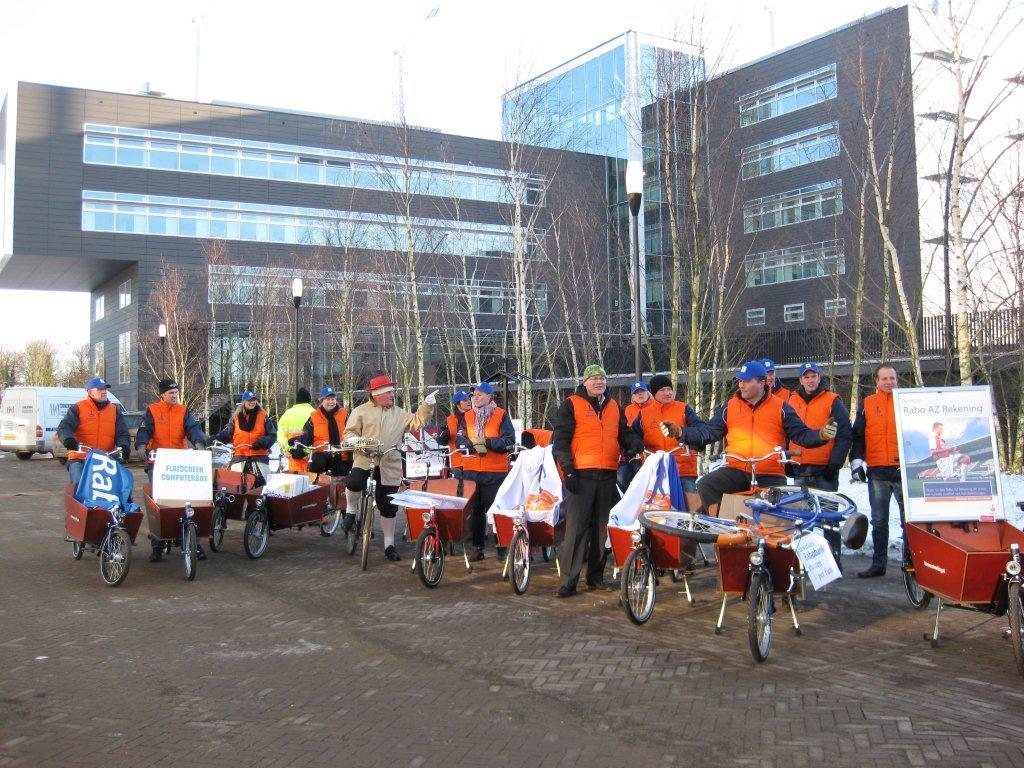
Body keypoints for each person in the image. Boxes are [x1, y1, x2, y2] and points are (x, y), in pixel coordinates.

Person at [669, 360, 836, 516]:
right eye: (740, 380)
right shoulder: (730, 406)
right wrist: (681, 433)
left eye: (747, 381)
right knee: (706, 485)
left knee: (775, 510)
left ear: (762, 382)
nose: (741, 384)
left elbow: (802, 435)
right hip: (737, 469)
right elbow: (709, 432)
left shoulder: (781, 407)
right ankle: (721, 525)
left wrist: (820, 435)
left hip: (769, 472)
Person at [552, 364, 645, 597]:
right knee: (576, 530)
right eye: (593, 379)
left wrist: (633, 441)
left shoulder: (614, 406)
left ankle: (595, 577)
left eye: (602, 378)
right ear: (584, 382)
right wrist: (568, 472)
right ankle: (568, 582)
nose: (598, 382)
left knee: (602, 531)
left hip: (607, 474)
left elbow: (622, 433)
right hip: (580, 476)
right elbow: (560, 442)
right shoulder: (571, 404)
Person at [343, 375, 435, 561]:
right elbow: (349, 432)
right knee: (354, 480)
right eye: (390, 392)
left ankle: (389, 545)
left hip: (389, 462)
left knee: (388, 505)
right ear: (378, 394)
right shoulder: (360, 411)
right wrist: (353, 439)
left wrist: (427, 406)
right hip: (364, 458)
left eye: (393, 392)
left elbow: (417, 421)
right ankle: (351, 511)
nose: (393, 395)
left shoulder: (399, 413)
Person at [786, 361, 852, 565]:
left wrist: (835, 464)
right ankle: (804, 563)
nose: (810, 380)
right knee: (801, 520)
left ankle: (833, 562)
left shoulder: (832, 401)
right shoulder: (791, 401)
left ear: (819, 377)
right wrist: (787, 460)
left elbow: (844, 435)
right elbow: (784, 431)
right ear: (800, 380)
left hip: (824, 472)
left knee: (828, 519)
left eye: (813, 376)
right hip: (799, 470)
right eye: (806, 377)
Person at [135, 378, 209, 562]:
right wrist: (142, 446)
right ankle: (157, 545)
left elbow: (193, 428)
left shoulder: (183, 411)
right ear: (162, 395)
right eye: (171, 393)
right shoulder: (152, 410)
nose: (175, 396)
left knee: (189, 500)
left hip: (179, 463)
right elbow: (144, 430)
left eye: (176, 393)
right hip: (158, 462)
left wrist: (199, 442)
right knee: (158, 503)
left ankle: (194, 544)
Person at [850, 364, 903, 578]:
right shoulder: (867, 404)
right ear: (877, 382)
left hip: (903, 472)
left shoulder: (907, 402)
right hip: (878, 472)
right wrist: (856, 463)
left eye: (892, 378)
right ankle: (878, 564)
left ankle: (912, 564)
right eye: (885, 378)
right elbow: (858, 436)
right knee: (879, 521)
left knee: (908, 521)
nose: (889, 382)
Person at [455, 382, 515, 561]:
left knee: (497, 511)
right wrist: (470, 444)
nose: (476, 398)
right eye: (474, 395)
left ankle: (502, 547)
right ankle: (478, 548)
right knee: (476, 511)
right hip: (472, 471)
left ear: (490, 397)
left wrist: (487, 442)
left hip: (495, 472)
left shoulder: (501, 414)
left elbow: (509, 441)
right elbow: (460, 440)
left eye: (480, 394)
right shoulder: (467, 416)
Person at [56, 376, 131, 488]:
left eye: (105, 389)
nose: (104, 391)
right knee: (79, 482)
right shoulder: (78, 408)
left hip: (105, 458)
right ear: (90, 392)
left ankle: (120, 505)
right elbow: (64, 427)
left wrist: (124, 445)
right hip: (81, 457)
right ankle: (79, 503)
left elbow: (122, 433)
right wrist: (68, 440)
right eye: (100, 389)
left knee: (122, 484)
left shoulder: (114, 410)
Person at [634, 374, 701, 494]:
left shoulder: (684, 409)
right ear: (654, 393)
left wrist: (693, 445)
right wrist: (638, 450)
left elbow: (700, 430)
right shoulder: (644, 414)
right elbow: (633, 436)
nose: (668, 393)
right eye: (662, 390)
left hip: (683, 469)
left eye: (669, 389)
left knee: (690, 507)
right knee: (657, 507)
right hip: (655, 469)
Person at [212, 391, 277, 481]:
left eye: (254, 400)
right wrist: (212, 440)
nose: (252, 402)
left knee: (263, 487)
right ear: (243, 402)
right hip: (239, 457)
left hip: (259, 457)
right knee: (235, 485)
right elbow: (226, 434)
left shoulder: (263, 416)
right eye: (249, 400)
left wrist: (263, 442)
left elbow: (273, 435)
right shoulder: (236, 418)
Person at [293, 386, 350, 480]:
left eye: (333, 399)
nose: (331, 402)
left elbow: (351, 431)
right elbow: (306, 435)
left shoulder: (344, 413)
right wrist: (298, 444)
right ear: (322, 401)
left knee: (345, 481)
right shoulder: (315, 416)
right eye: (327, 399)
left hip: (341, 454)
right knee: (315, 466)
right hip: (321, 454)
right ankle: (315, 490)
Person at [277, 388, 316, 474]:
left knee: (295, 482)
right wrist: (306, 451)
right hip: (311, 456)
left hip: (293, 455)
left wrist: (288, 449)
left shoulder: (287, 414)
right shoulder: (315, 413)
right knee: (313, 483)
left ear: (297, 400)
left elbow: (280, 436)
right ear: (309, 400)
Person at [436, 391, 472, 477]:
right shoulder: (449, 420)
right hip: (457, 464)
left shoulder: (476, 416)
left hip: (474, 461)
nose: (469, 401)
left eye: (469, 399)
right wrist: (443, 437)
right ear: (458, 404)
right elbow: (441, 440)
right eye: (465, 400)